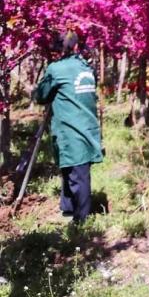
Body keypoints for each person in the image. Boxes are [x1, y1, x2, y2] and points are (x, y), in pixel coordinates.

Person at [33, 30, 103, 223]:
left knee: (77, 174)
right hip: (88, 125)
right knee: (72, 169)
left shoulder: (56, 69)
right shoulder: (86, 67)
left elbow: (41, 96)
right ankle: (68, 208)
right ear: (75, 46)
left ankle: (82, 221)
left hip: (71, 128)